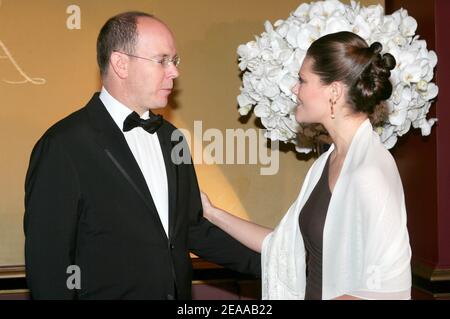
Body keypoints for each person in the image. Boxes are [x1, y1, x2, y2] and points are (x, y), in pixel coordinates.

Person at [24, 11, 260, 300]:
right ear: (120, 63)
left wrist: (282, 266)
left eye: (174, 61)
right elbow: (49, 266)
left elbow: (191, 229)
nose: (174, 72)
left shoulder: (171, 138)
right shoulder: (63, 146)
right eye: (162, 60)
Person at [201, 31, 412, 300]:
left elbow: (389, 289)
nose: (294, 89)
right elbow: (281, 246)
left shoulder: (370, 170)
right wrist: (211, 212)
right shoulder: (326, 163)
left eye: (302, 80)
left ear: (334, 91)